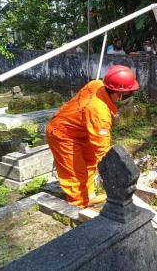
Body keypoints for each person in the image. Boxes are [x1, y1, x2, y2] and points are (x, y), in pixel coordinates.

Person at [46, 65, 139, 208]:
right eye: (128, 93)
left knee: (90, 161)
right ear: (117, 93)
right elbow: (103, 152)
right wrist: (117, 173)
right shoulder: (99, 112)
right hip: (63, 134)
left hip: (81, 129)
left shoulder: (97, 84)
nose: (129, 96)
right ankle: (77, 206)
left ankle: (89, 196)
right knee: (75, 172)